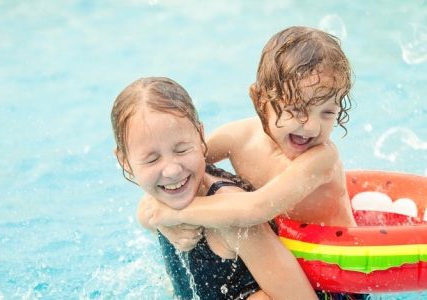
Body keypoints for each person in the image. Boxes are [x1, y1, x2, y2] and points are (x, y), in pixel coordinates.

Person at [140, 27, 369, 299]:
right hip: (278, 268)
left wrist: (175, 214)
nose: (312, 126)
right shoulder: (239, 137)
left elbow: (257, 208)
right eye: (297, 109)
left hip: (334, 281)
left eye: (328, 112)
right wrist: (159, 221)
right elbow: (182, 171)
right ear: (260, 98)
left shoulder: (322, 158)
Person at [111, 77, 317, 300]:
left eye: (181, 150)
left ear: (201, 137)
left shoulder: (236, 224)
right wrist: (161, 221)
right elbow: (145, 214)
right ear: (125, 161)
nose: (171, 171)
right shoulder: (158, 202)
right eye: (152, 160)